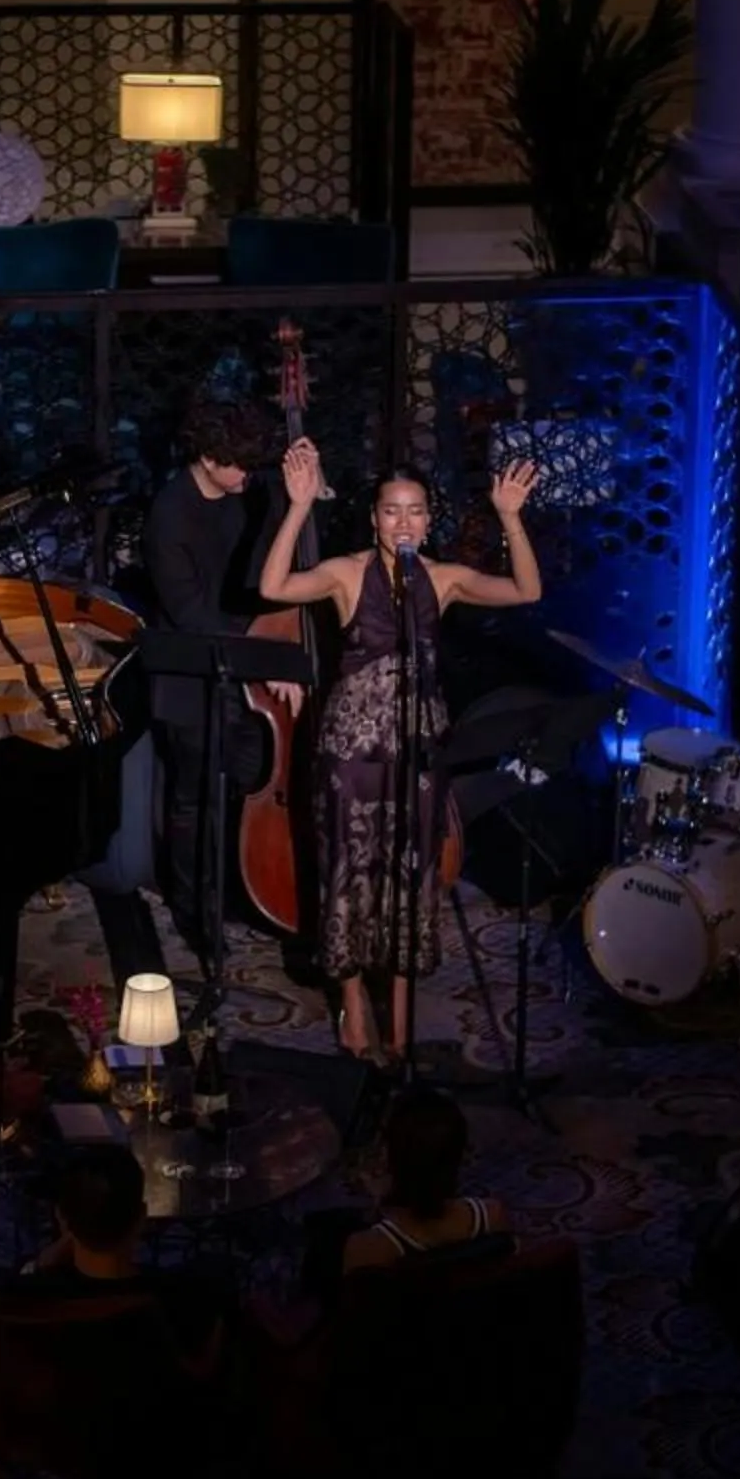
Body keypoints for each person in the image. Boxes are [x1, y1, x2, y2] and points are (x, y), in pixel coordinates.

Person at [261, 447, 540, 1061]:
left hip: (417, 750)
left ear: (429, 520)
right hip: (352, 751)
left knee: (411, 879)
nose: (404, 523)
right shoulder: (346, 573)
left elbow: (526, 590)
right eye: (392, 511)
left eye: (415, 511)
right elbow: (273, 586)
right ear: (374, 519)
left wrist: (510, 518)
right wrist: (299, 506)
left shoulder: (441, 579)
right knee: (348, 875)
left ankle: (403, 1008)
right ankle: (354, 1002)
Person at [121, 394, 308, 995]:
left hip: (248, 673)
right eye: (238, 465)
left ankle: (249, 891)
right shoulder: (168, 516)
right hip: (192, 679)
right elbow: (193, 614)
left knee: (248, 786)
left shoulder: (248, 490)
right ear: (206, 458)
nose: (248, 475)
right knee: (194, 803)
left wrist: (301, 497)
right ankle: (194, 912)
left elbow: (277, 566)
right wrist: (270, 654)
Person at [13, 1142, 229, 1374]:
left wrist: (41, 1265)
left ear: (61, 1216)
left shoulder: (26, 1300)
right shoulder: (183, 1300)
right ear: (142, 1217)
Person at [342, 1085, 510, 1276]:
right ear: (461, 1154)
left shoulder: (368, 1248)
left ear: (390, 1156)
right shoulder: (493, 1217)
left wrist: (377, 1205)